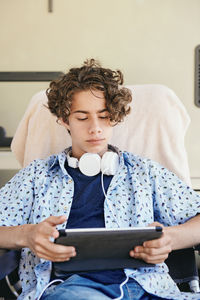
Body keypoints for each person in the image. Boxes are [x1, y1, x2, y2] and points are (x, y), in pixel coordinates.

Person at [0, 59, 200, 300]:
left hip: (149, 287)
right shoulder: (37, 176)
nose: (95, 128)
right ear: (64, 120)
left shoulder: (145, 172)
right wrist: (27, 235)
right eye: (82, 118)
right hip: (73, 289)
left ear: (115, 116)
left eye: (104, 116)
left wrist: (170, 238)